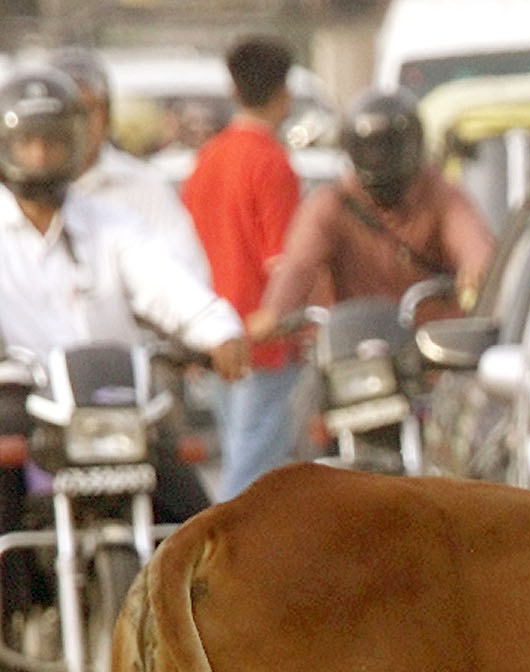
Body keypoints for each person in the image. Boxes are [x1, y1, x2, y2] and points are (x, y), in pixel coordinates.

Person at [0, 68, 248, 614]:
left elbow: (166, 284)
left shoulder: (110, 224)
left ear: (76, 144)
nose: (41, 155)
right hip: (21, 407)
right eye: (29, 141)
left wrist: (218, 329)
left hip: (114, 406)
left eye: (54, 141)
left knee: (204, 533)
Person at [251, 87, 494, 337]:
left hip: (430, 351)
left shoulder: (439, 194)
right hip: (354, 349)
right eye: (371, 150)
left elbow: (471, 240)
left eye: (389, 148)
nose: (380, 159)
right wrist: (276, 312)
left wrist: (476, 269)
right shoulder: (334, 203)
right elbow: (299, 264)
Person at [181, 35, 305, 500]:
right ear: (283, 92)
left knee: (239, 453)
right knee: (253, 471)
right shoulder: (272, 163)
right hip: (263, 339)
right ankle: (225, 561)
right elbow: (283, 261)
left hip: (215, 335)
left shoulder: (206, 160)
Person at [44, 49, 210, 282]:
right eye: (69, 111)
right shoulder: (19, 192)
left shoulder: (145, 187)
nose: (78, 123)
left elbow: (187, 276)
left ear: (106, 113)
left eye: (89, 109)